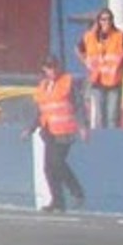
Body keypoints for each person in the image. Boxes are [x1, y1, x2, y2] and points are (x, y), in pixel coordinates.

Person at [29, 56, 85, 212]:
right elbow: (40, 111)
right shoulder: (43, 86)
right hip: (48, 131)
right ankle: (57, 202)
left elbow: (78, 105)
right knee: (48, 168)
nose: (52, 71)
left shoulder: (67, 82)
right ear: (44, 69)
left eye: (54, 67)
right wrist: (31, 128)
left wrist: (82, 126)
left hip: (64, 130)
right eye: (48, 68)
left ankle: (76, 191)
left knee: (57, 162)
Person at [77, 7, 123, 129]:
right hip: (97, 81)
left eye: (109, 19)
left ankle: (112, 140)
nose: (106, 22)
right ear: (98, 21)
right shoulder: (89, 37)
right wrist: (85, 62)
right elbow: (78, 49)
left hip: (114, 82)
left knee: (112, 116)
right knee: (99, 117)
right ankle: (102, 142)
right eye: (103, 19)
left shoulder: (120, 36)